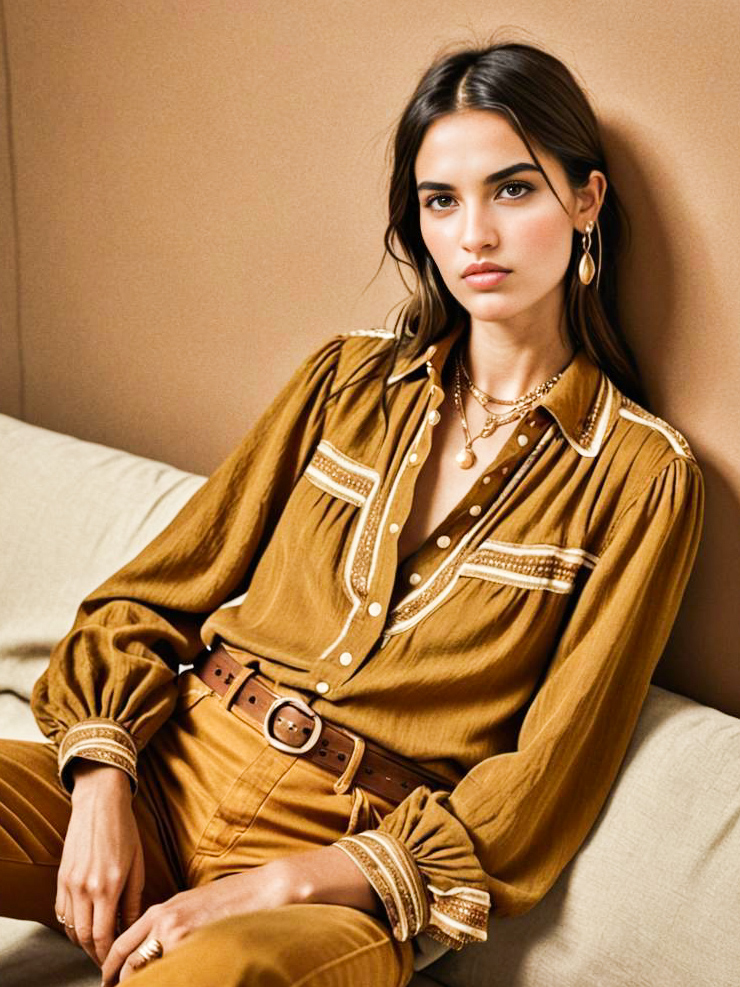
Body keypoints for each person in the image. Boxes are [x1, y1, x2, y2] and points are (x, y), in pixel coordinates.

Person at [0, 39, 703, 987]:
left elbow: (545, 779)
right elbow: (148, 598)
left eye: (514, 190)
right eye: (441, 200)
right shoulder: (344, 381)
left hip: (338, 869)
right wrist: (98, 786)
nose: (474, 236)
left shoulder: (641, 476)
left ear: (586, 201)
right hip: (167, 772)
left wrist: (271, 888)